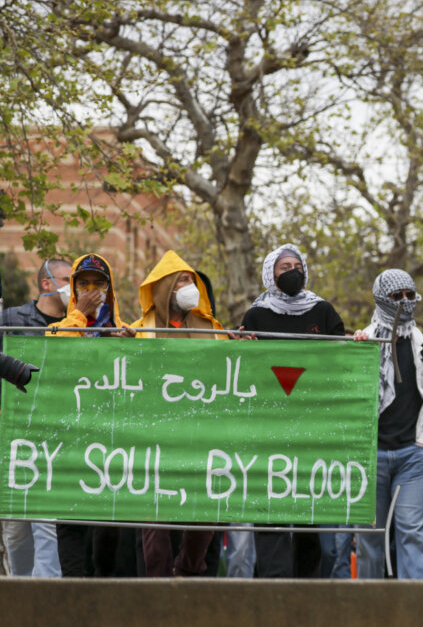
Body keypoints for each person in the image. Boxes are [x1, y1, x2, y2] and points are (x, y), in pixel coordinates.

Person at [238, 244, 346, 578]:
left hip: (311, 431)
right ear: (271, 273)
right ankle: (273, 589)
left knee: (307, 516)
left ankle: (306, 589)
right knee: (269, 510)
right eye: (284, 266)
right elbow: (244, 373)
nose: (293, 271)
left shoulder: (323, 311)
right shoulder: (255, 315)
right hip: (267, 430)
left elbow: (341, 362)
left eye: (297, 265)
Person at [131, 251, 225, 577]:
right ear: (166, 287)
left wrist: (243, 345)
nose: (190, 286)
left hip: (200, 438)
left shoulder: (211, 327)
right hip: (154, 440)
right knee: (155, 532)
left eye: (191, 280)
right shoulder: (138, 330)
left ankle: (186, 571)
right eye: (183, 280)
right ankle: (158, 593)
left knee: (204, 520)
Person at [351, 269, 423, 580]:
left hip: (413, 457)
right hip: (370, 456)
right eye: (396, 296)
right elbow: (349, 395)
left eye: (410, 295)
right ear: (381, 299)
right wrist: (356, 353)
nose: (405, 302)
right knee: (369, 540)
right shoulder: (363, 342)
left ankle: (420, 611)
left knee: (414, 536)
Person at [48, 253, 134, 577]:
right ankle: (73, 595)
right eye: (83, 284)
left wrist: (129, 346)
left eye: (98, 284)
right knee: (70, 525)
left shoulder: (124, 331)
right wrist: (80, 316)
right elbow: (52, 355)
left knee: (108, 528)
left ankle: (103, 591)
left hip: (112, 443)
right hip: (69, 442)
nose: (91, 290)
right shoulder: (60, 328)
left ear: (109, 290)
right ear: (73, 289)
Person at [0, 258, 69, 577]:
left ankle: (42, 606)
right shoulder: (10, 319)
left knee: (47, 527)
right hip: (14, 440)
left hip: (55, 441)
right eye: (68, 279)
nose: (75, 288)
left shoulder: (78, 326)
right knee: (15, 532)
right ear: (46, 283)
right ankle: (18, 595)